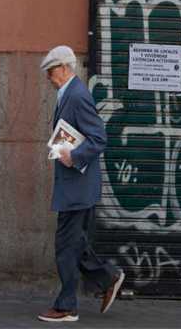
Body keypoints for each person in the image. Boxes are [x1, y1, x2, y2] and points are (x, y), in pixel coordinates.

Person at [38, 45, 125, 323]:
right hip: (75, 187)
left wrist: (73, 156)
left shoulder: (76, 95)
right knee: (75, 243)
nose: (48, 77)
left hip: (77, 187)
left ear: (65, 68)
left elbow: (99, 138)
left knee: (66, 247)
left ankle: (67, 307)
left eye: (51, 71)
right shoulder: (69, 94)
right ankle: (109, 277)